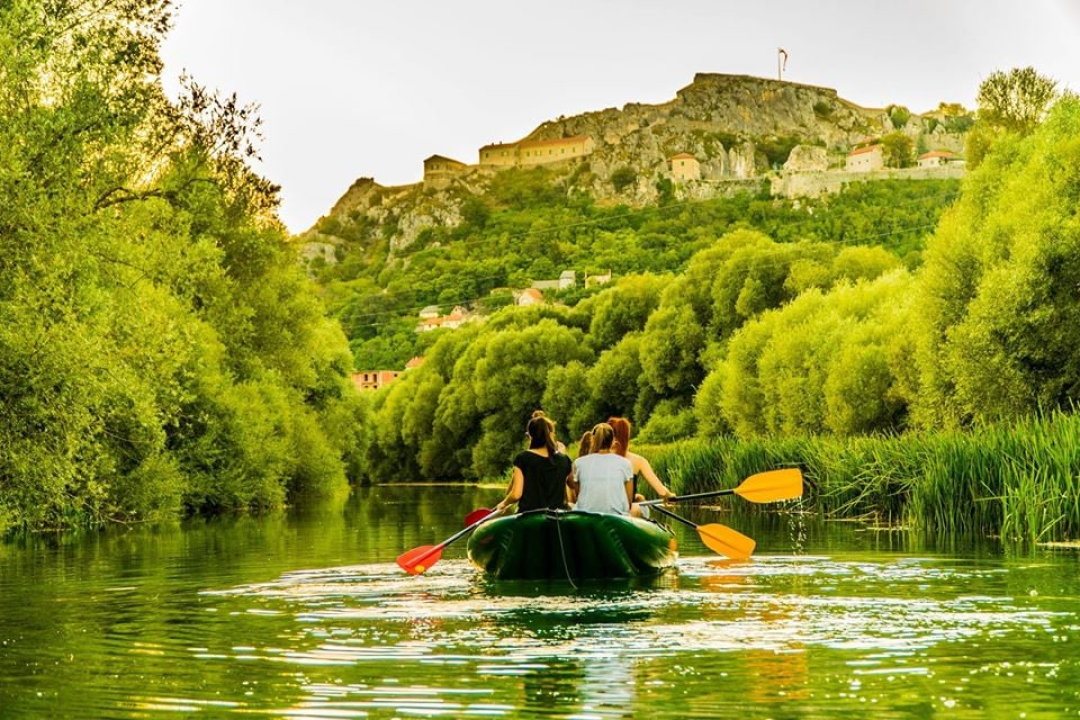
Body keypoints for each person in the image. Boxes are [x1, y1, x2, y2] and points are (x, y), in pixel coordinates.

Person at [494, 413, 573, 514]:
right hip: (557, 517)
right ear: (551, 434)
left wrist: (503, 504)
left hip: (530, 516)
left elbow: (516, 494)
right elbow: (573, 484)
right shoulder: (564, 459)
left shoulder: (522, 458)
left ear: (530, 435)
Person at [608, 416, 676, 503]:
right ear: (626, 438)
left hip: (600, 510)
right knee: (640, 499)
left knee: (639, 498)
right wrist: (669, 495)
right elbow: (662, 492)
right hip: (626, 510)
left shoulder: (596, 459)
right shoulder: (638, 461)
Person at [572, 422, 634, 515]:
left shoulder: (579, 463)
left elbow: (578, 495)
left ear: (592, 440)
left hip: (586, 517)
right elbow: (629, 502)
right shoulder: (625, 463)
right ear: (613, 441)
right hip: (617, 517)